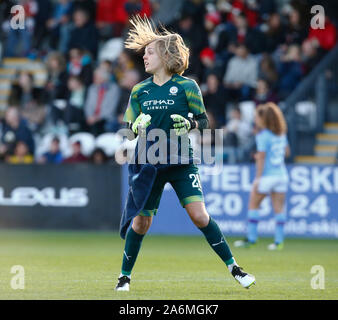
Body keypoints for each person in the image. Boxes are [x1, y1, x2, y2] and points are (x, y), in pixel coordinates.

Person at [115, 15, 255, 292]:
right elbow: (127, 128)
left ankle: (235, 268)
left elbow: (204, 122)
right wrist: (135, 125)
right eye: (144, 53)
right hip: (149, 164)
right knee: (142, 223)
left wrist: (190, 123)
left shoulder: (188, 86)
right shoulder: (139, 91)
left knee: (200, 217)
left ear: (165, 56)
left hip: (181, 161)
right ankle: (124, 277)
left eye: (150, 52)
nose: (144, 57)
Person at [234, 102, 290, 250]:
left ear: (264, 119)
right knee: (279, 209)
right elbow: (287, 152)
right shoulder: (282, 134)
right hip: (282, 175)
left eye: (257, 118)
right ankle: (279, 242)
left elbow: (262, 158)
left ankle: (251, 239)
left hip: (267, 176)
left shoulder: (263, 136)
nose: (255, 120)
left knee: (253, 205)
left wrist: (258, 178)